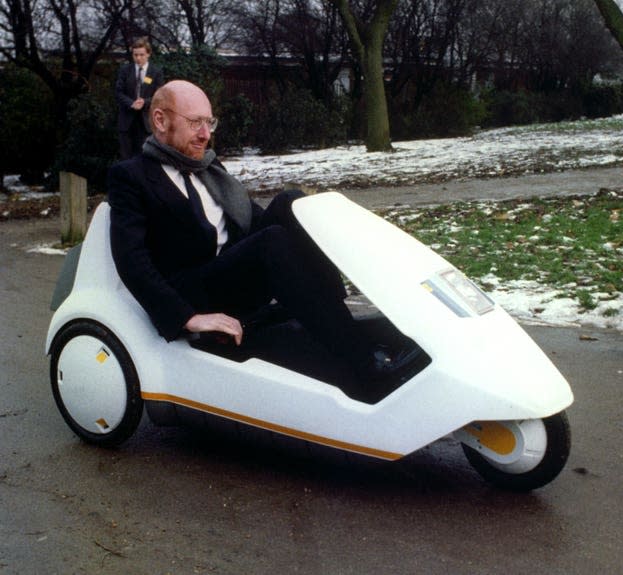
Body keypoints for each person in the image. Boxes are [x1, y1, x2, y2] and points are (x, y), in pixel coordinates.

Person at [108, 80, 421, 400]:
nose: (206, 134)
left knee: (292, 203)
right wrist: (188, 317)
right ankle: (363, 364)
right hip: (193, 289)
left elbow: (248, 219)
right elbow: (131, 260)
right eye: (195, 123)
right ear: (160, 120)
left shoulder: (206, 165)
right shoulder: (131, 177)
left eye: (209, 122)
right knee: (271, 242)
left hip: (232, 272)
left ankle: (341, 315)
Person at [115, 37, 164, 159]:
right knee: (126, 159)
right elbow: (118, 93)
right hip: (127, 122)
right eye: (135, 55)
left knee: (145, 158)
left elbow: (160, 96)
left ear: (148, 54)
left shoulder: (156, 72)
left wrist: (145, 102)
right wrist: (132, 103)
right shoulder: (125, 70)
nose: (138, 58)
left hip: (146, 123)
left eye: (141, 55)